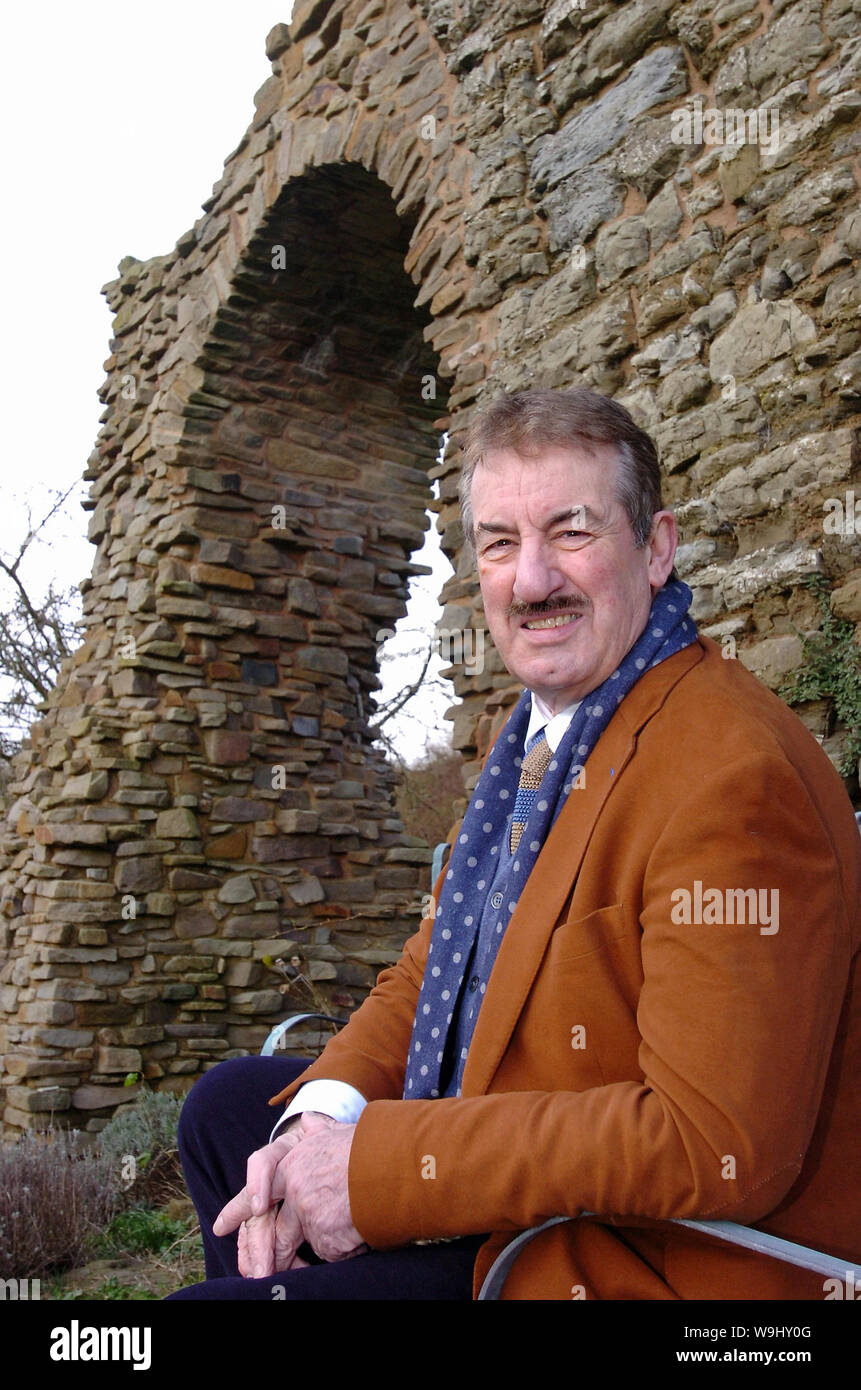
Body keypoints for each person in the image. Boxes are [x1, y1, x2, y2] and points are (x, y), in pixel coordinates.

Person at [169, 387, 861, 1300]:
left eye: (571, 532)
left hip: (648, 1255)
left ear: (656, 549)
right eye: (500, 543)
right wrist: (316, 1129)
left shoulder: (731, 774)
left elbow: (715, 1146)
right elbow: (431, 970)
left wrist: (376, 1175)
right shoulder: (539, 742)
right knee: (231, 1114)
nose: (531, 582)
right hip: (529, 1166)